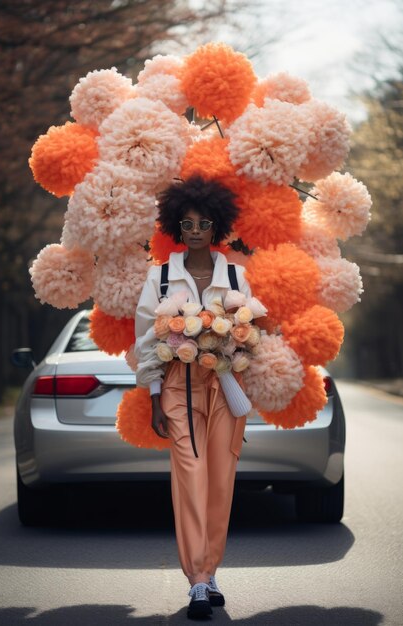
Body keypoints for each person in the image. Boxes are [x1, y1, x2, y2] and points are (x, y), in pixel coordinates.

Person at [134, 175, 252, 620]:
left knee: (221, 481)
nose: (197, 230)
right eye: (188, 223)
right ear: (177, 229)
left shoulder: (237, 275)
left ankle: (210, 568)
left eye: (204, 223)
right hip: (177, 386)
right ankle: (198, 582)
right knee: (190, 476)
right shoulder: (160, 276)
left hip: (225, 388)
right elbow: (147, 338)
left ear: (217, 226)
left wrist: (228, 347)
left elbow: (250, 339)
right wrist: (153, 394)